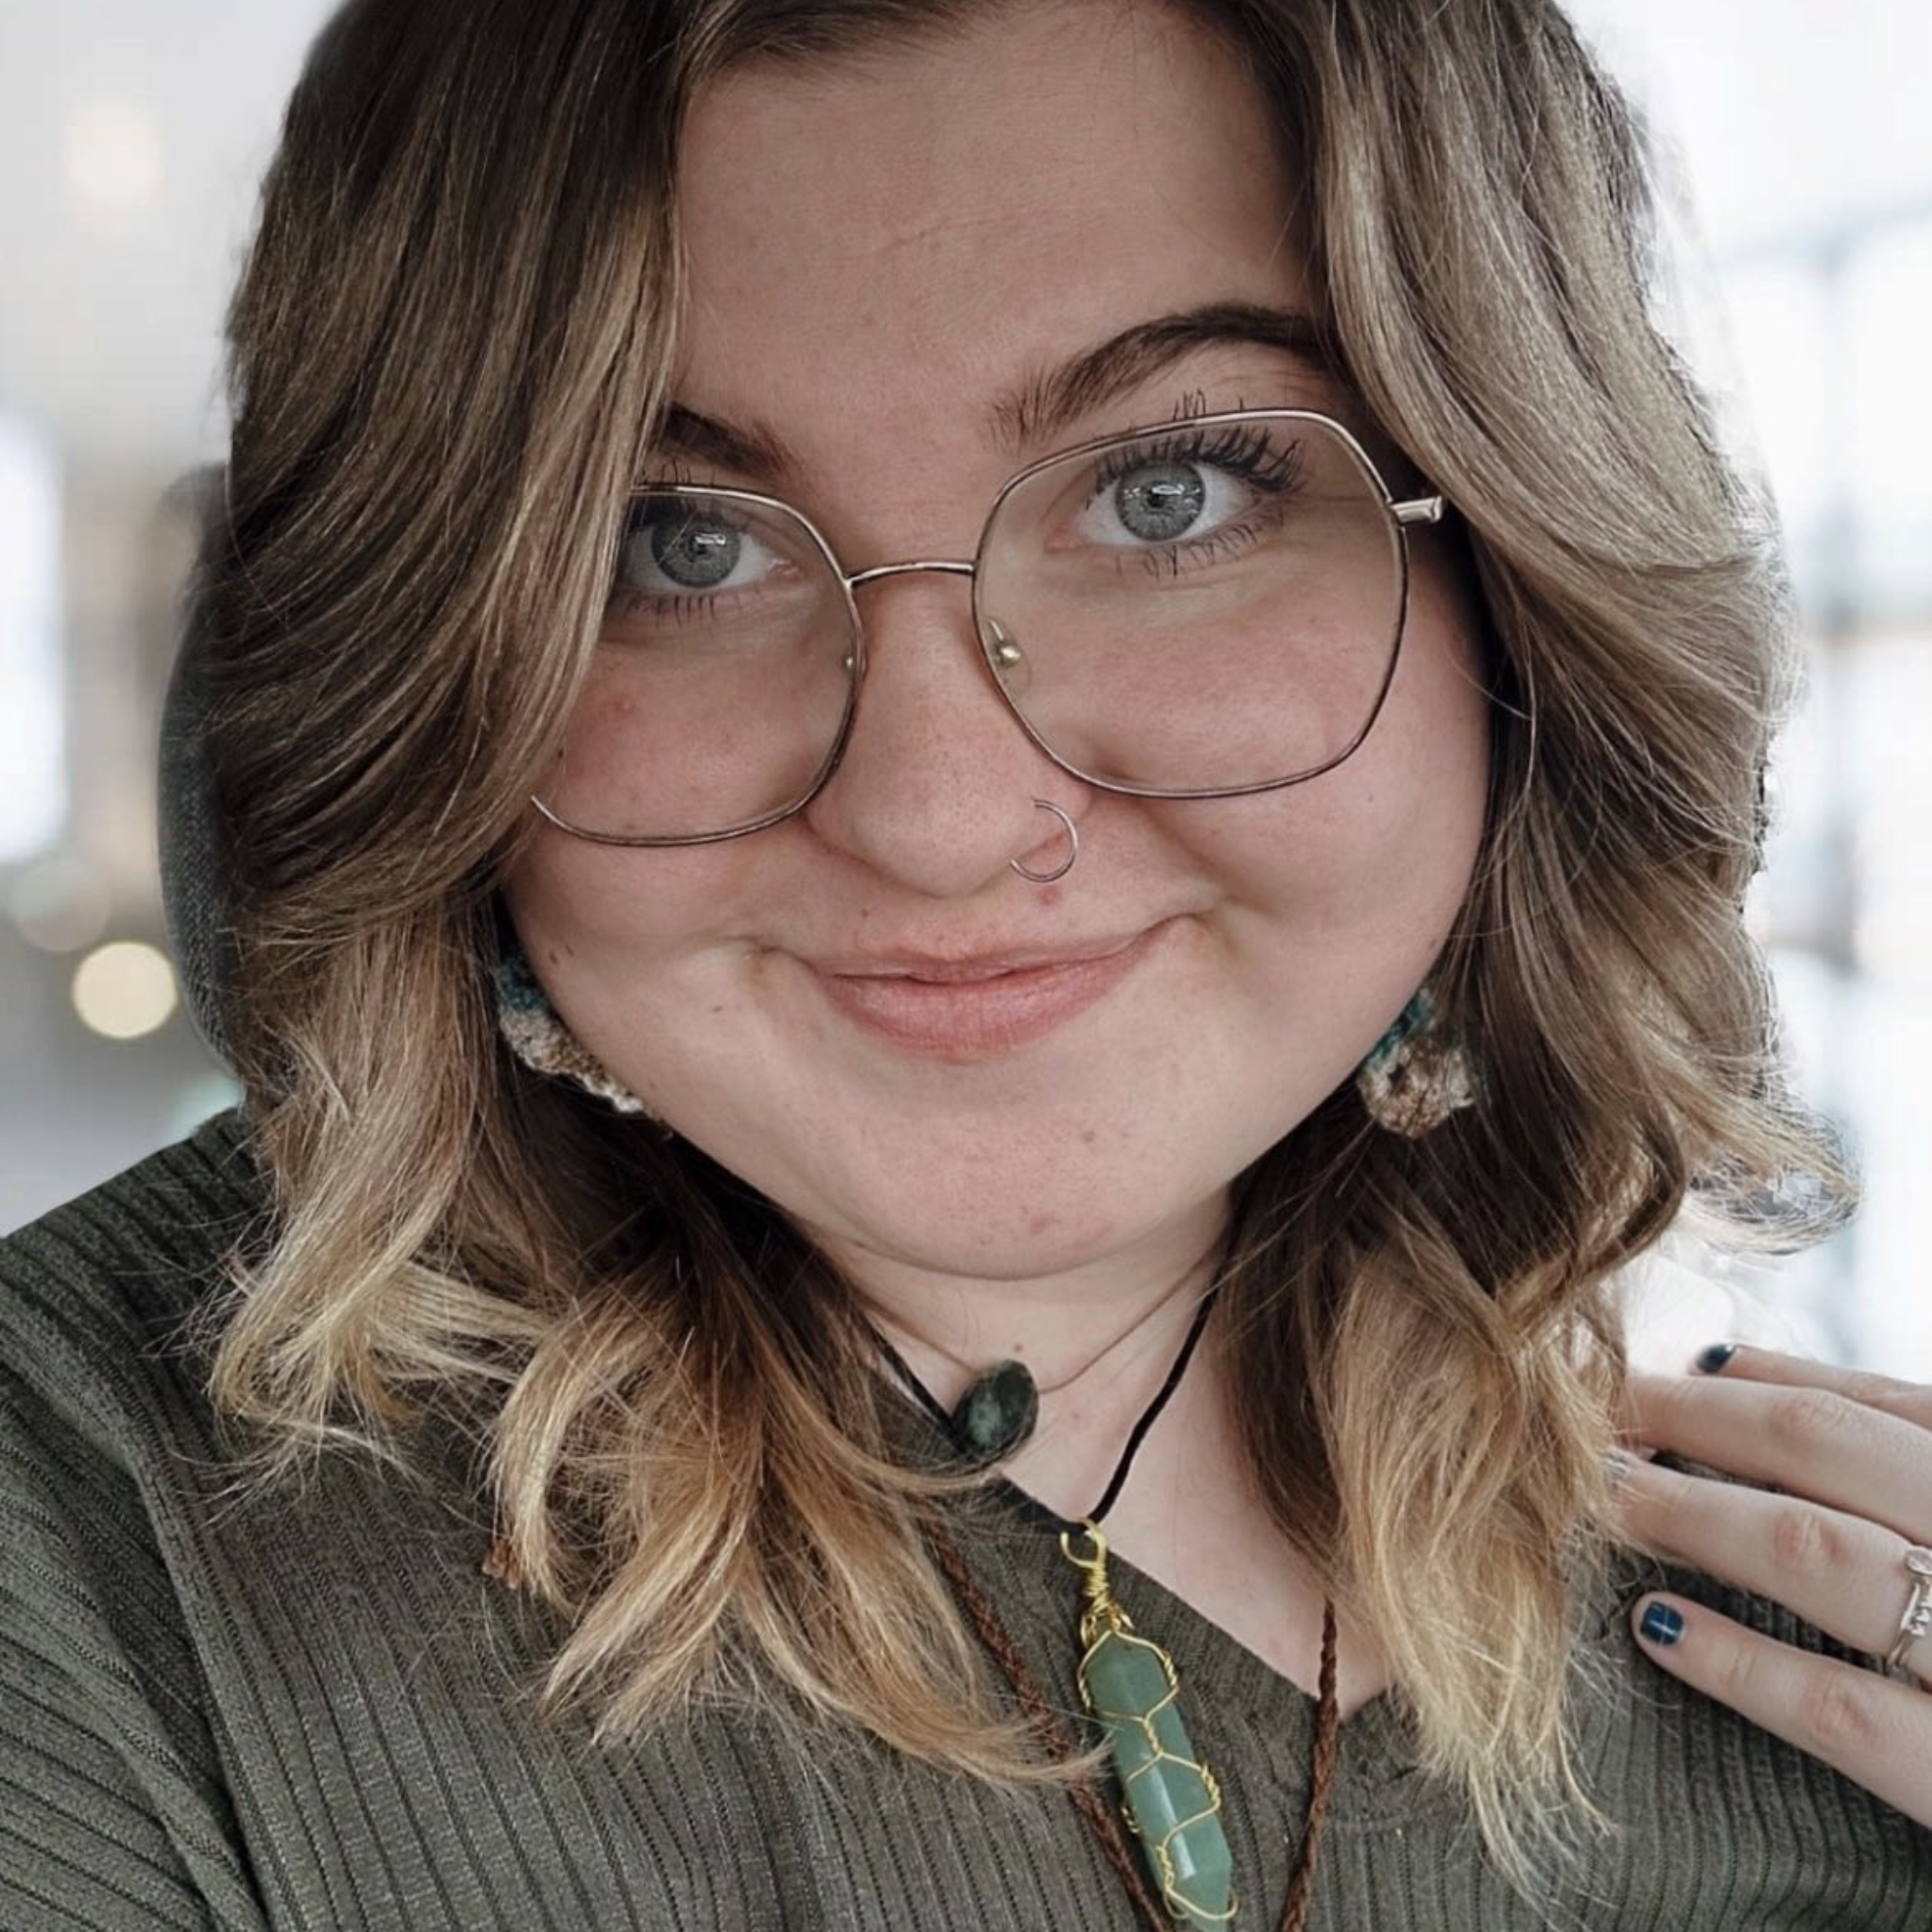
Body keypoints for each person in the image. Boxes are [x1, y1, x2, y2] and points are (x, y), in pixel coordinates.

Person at [3, 0, 1929, 1926]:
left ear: (1516, 587)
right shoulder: (82, 1584)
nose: (935, 814)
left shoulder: (1832, 1663)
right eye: (673, 545)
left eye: (1168, 492)